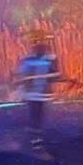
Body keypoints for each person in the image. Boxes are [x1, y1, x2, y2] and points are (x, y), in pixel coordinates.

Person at [15, 30, 67, 158]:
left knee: (36, 119)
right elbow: (54, 76)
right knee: (36, 119)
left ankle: (32, 142)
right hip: (35, 94)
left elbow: (54, 75)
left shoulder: (31, 60)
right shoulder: (43, 59)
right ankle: (36, 147)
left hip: (38, 94)